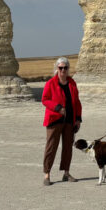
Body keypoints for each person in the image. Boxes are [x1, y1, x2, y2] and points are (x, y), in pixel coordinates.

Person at [41, 57, 82, 186]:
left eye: (65, 68)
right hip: (54, 120)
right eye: (61, 68)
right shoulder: (51, 83)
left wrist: (78, 119)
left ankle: (66, 172)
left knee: (67, 147)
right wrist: (57, 108)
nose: (63, 70)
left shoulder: (72, 83)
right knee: (51, 147)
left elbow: (77, 102)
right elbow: (45, 99)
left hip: (69, 120)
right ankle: (47, 174)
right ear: (57, 69)